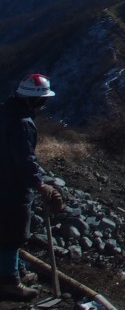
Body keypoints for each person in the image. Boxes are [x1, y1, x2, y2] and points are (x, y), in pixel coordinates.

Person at [0, 74, 64, 302]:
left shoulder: (5, 110)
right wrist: (39, 184)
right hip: (11, 186)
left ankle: (14, 270)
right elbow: (24, 159)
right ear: (35, 101)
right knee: (13, 234)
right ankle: (9, 282)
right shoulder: (22, 123)